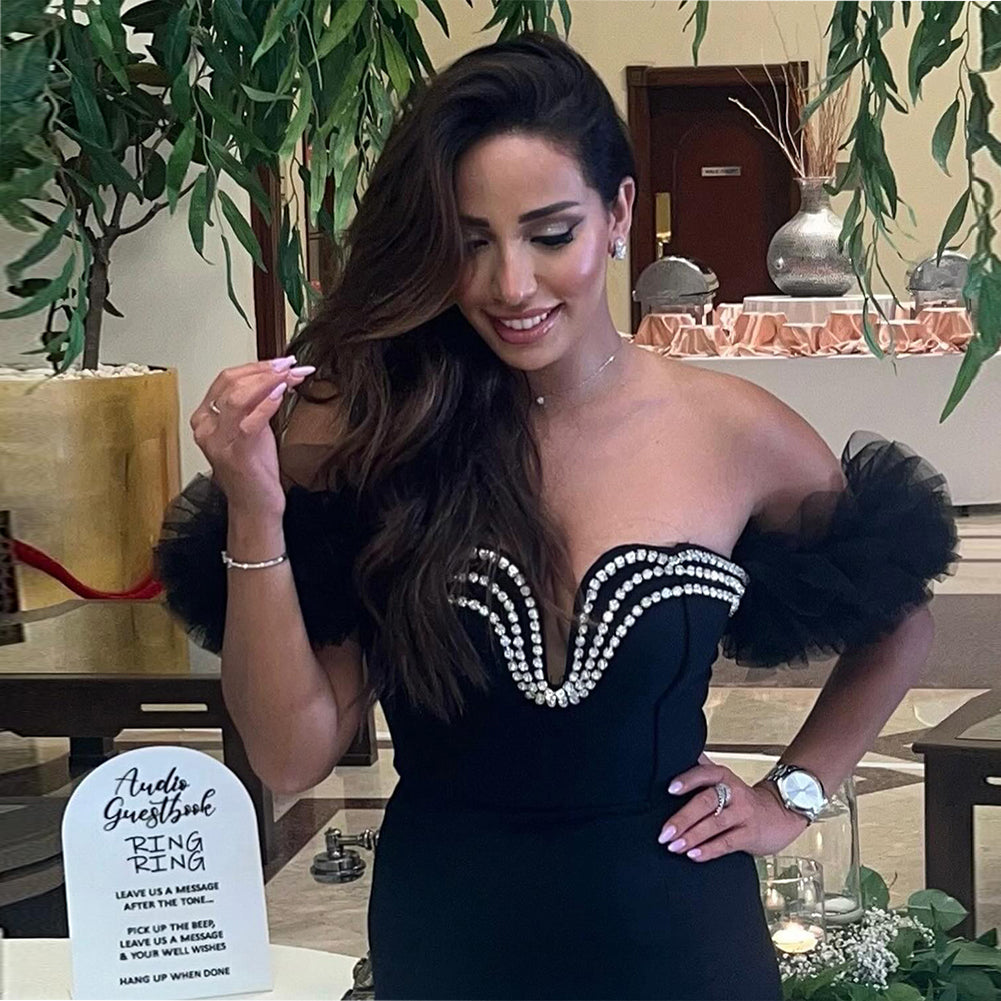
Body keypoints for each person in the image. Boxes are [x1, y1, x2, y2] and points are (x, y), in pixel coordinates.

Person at [155, 32, 959, 1001]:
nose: (510, 285)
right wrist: (253, 506)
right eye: (469, 241)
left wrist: (790, 792)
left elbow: (896, 621)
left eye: (548, 234)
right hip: (449, 934)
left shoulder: (732, 431)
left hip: (680, 937)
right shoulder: (376, 430)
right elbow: (290, 755)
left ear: (617, 213)